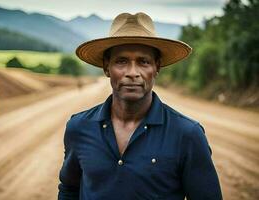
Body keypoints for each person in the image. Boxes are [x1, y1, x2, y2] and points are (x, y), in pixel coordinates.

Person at [58, 12, 222, 200]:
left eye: (143, 62)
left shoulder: (187, 134)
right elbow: (69, 189)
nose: (132, 73)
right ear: (106, 67)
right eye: (122, 61)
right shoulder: (78, 127)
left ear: (157, 67)